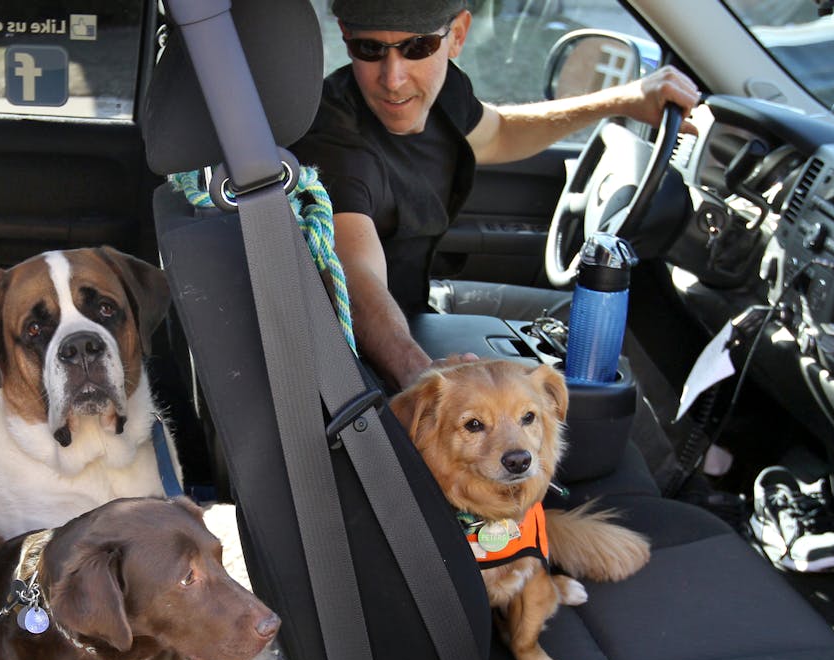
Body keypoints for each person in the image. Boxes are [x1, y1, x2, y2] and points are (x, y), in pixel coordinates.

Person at [293, 0, 702, 391]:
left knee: (589, 321)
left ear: (457, 35)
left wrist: (623, 101)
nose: (393, 78)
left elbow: (499, 133)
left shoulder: (445, 92)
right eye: (370, 49)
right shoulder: (334, 138)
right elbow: (351, 272)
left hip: (421, 302)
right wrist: (420, 374)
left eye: (418, 46)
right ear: (346, 36)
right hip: (380, 346)